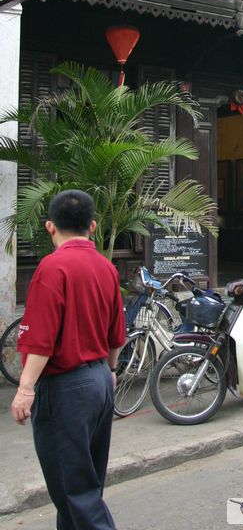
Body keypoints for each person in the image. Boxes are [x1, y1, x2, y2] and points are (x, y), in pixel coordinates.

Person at [11, 190, 125, 530]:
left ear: (50, 226)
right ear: (92, 226)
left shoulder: (52, 267)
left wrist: (25, 388)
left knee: (75, 492)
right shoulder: (106, 266)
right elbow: (116, 332)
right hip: (100, 381)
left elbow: (41, 340)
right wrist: (111, 370)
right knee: (85, 484)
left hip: (66, 390)